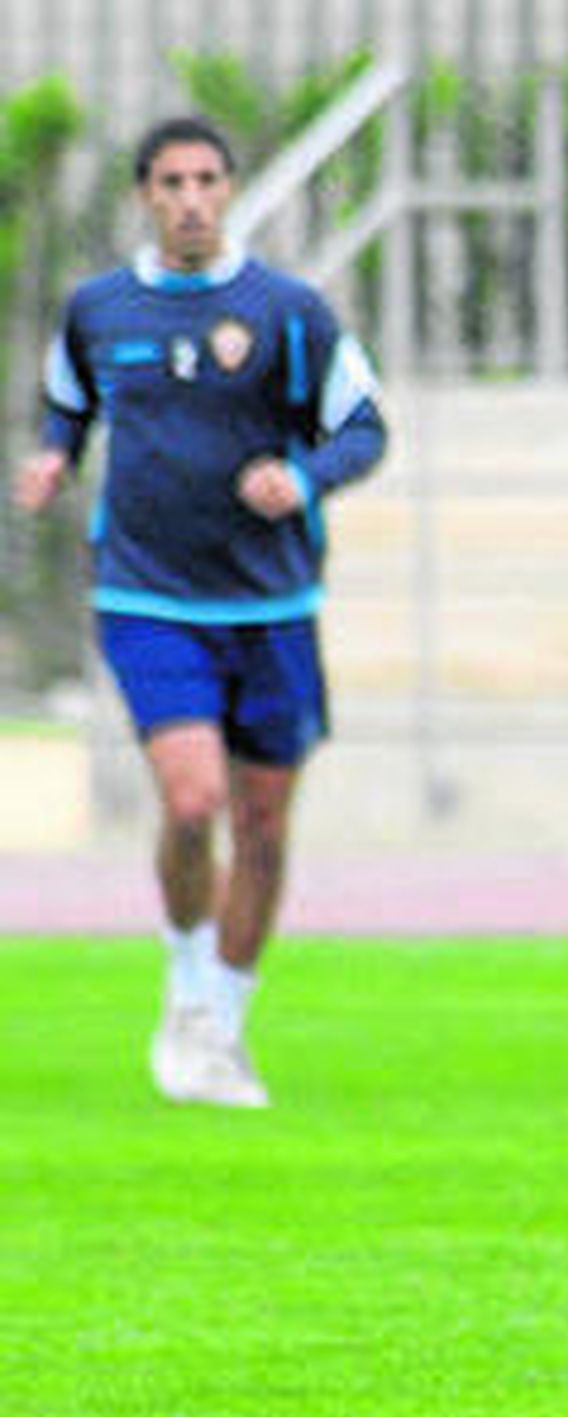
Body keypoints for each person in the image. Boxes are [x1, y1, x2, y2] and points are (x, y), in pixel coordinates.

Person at [14, 114, 386, 1108]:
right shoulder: (100, 309)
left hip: (273, 603)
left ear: (229, 190)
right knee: (191, 802)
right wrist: (52, 456)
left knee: (262, 825)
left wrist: (302, 478)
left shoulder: (288, 311)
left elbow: (363, 427)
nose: (190, 199)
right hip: (147, 594)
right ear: (145, 195)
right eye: (171, 182)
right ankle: (186, 990)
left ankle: (221, 1021)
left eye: (207, 180)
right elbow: (69, 404)